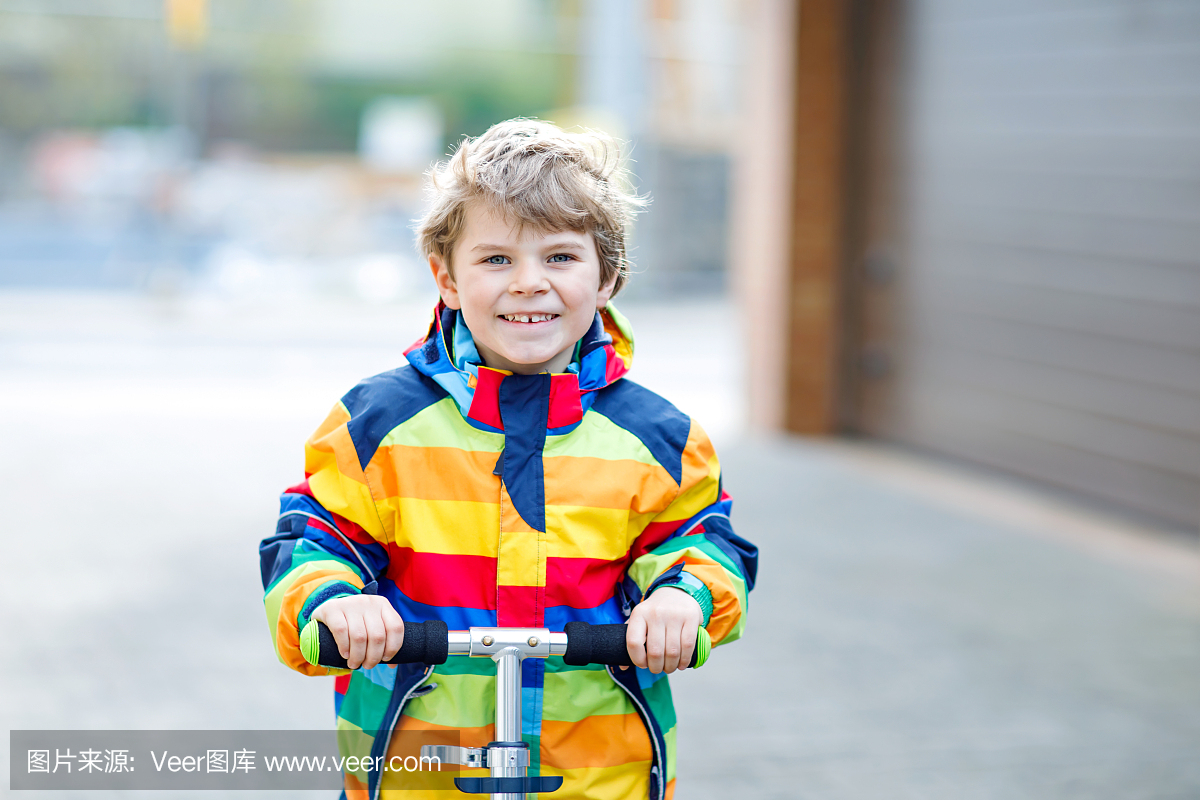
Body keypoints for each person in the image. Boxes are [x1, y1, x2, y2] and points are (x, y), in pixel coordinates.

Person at [259, 119, 758, 800]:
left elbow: (704, 541)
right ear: (447, 277)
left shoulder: (658, 438)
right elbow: (313, 535)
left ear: (607, 276)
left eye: (560, 258)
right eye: (496, 260)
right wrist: (333, 601)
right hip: (419, 773)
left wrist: (683, 597)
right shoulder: (378, 425)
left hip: (598, 776)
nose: (529, 284)